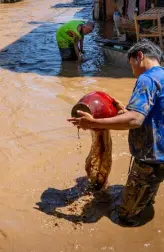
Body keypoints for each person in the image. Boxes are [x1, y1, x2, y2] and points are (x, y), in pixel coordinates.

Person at [68, 39, 164, 226]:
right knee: (148, 192)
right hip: (161, 155)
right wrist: (127, 110)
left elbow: (135, 120)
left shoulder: (147, 78)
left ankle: (131, 216)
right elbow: (153, 113)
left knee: (124, 215)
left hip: (152, 159)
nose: (133, 71)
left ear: (140, 56)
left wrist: (94, 122)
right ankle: (145, 202)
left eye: (131, 65)